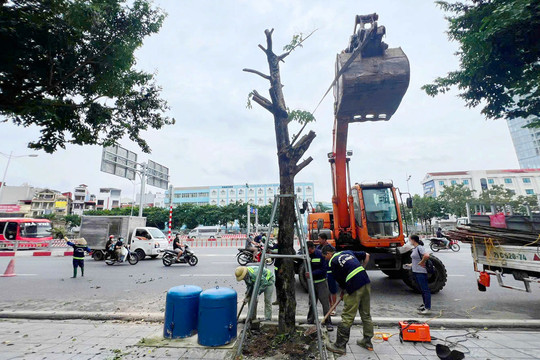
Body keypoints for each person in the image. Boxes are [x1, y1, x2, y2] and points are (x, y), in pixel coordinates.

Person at [321, 245, 373, 355]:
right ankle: (367, 341)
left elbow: (340, 281)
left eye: (325, 256)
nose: (325, 259)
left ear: (329, 254)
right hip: (365, 279)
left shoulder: (333, 262)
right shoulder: (346, 252)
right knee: (366, 313)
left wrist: (345, 291)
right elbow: (366, 255)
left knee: (347, 316)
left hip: (354, 284)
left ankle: (339, 346)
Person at [306, 241, 333, 331]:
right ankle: (310, 321)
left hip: (321, 282)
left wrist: (312, 273)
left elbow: (323, 269)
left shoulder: (320, 254)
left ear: (310, 248)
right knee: (312, 303)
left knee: (325, 303)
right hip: (312, 283)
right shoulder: (307, 255)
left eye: (307, 249)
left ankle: (328, 322)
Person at [408, 234, 432, 315]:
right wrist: (410, 265)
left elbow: (426, 255)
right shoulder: (415, 248)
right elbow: (416, 259)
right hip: (416, 271)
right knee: (422, 289)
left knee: (425, 290)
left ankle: (427, 308)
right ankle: (425, 305)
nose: (409, 241)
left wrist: (421, 262)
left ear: (413, 240)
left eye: (410, 239)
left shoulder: (419, 247)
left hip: (421, 271)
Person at [316, 233, 338, 314]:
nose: (318, 240)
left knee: (333, 290)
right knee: (327, 291)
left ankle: (334, 308)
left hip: (331, 272)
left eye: (319, 239)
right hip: (324, 273)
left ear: (324, 239)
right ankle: (330, 305)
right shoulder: (318, 248)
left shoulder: (331, 248)